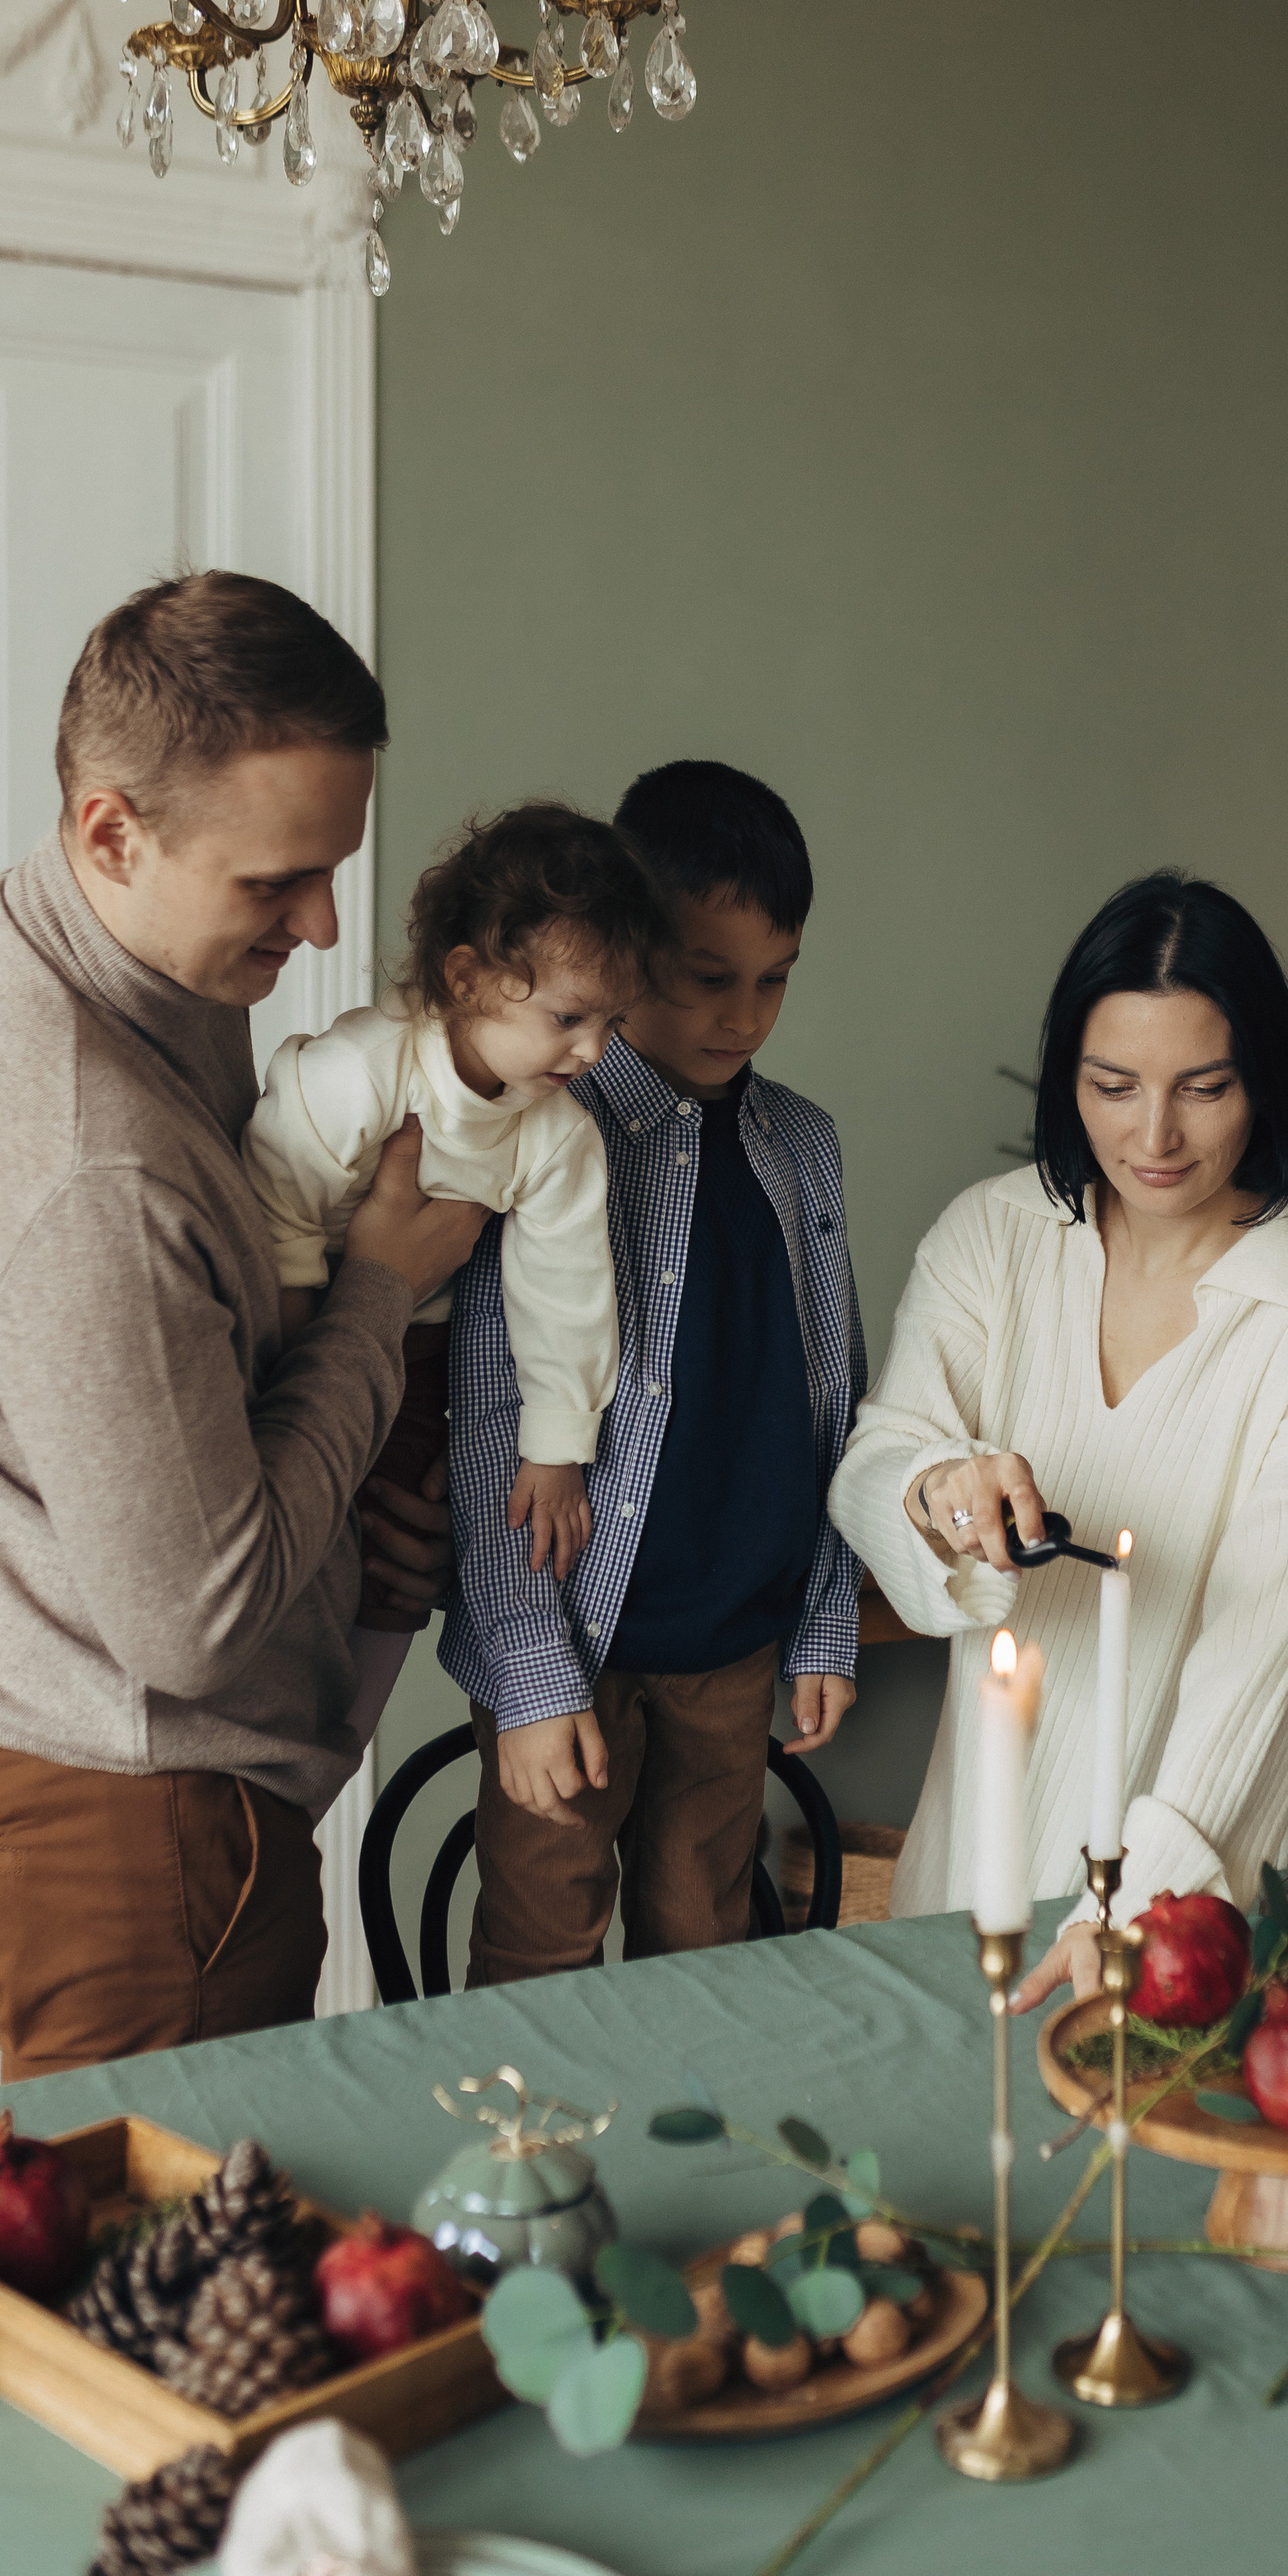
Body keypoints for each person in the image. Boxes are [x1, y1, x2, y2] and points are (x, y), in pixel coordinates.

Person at [0, 572, 486, 2079]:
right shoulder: (86, 1162)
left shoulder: (106, 952)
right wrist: (380, 1294)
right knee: (146, 2308)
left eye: (330, 866)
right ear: (110, 831)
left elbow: (192, 1359)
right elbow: (199, 1626)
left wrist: (350, 1512)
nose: (324, 922)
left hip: (77, 1766)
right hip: (130, 1824)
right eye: (275, 881)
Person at [827, 870, 1288, 2011]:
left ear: (1266, 1081)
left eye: (1205, 1087)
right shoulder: (994, 1237)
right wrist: (939, 1487)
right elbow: (874, 1463)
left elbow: (1255, 1675)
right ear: (1068, 1080)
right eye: (1114, 1085)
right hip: (966, 1879)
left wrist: (1131, 1914)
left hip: (1184, 1919)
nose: (1155, 1136)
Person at [439, 760, 866, 1981]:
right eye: (706, 979)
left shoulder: (806, 1143)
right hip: (573, 1640)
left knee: (706, 1948)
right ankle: (530, 2174)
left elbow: (837, 1394)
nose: (744, 1017)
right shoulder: (544, 1135)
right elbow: (489, 1417)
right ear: (632, 954)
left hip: (734, 1649)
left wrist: (824, 1617)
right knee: (540, 1946)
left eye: (774, 981)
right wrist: (526, 1669)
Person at [242, 803, 675, 1741]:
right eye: (568, 1017)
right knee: (310, 1525)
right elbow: (278, 1206)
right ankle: (281, 1717)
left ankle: (342, 1732)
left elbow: (568, 1293)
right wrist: (294, 1352)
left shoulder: (554, 1134)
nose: (594, 1051)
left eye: (610, 1022)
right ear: (469, 977)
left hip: (423, 1349)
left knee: (407, 1532)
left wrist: (555, 1450)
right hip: (304, 1314)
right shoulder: (363, 1072)